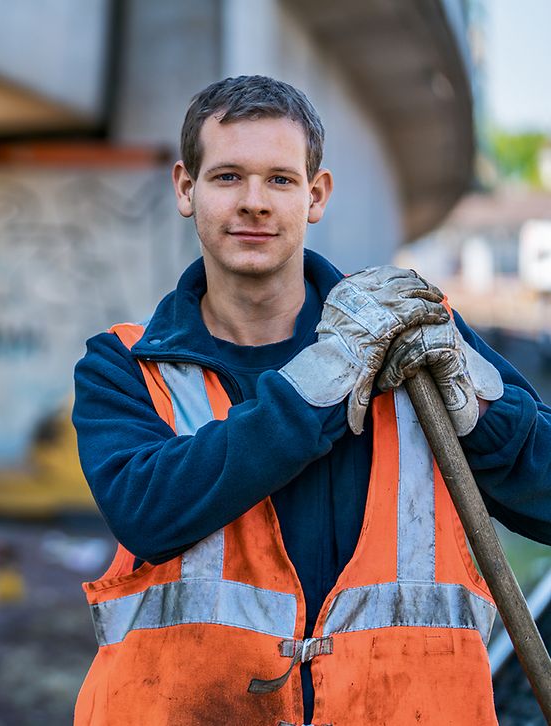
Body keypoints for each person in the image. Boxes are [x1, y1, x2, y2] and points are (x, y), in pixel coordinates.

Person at [71, 75, 551, 725]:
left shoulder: (412, 332)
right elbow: (148, 511)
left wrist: (484, 406)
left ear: (315, 195)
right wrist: (323, 377)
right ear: (186, 188)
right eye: (227, 177)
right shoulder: (126, 366)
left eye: (279, 179)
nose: (254, 204)